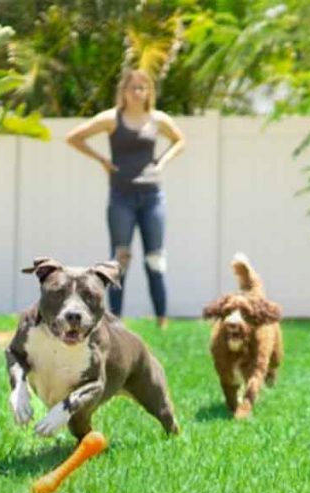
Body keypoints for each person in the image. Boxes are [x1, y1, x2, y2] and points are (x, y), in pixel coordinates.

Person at [66, 69, 186, 329]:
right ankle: (116, 321)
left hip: (152, 197)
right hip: (121, 197)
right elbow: (74, 137)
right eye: (133, 87)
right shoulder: (112, 118)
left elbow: (179, 140)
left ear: (149, 92)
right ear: (124, 91)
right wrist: (102, 161)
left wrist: (162, 162)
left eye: (143, 88)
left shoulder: (157, 120)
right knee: (119, 260)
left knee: (155, 259)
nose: (138, 92)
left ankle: (162, 320)